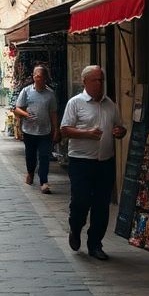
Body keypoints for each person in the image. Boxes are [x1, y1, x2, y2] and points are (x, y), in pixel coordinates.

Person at [60, 64, 126, 260]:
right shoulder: (75, 103)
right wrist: (86, 133)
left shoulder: (110, 104)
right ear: (85, 82)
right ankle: (75, 227)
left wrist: (119, 132)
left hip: (105, 162)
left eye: (101, 80)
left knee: (101, 205)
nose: (99, 83)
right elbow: (65, 129)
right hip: (81, 161)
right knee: (80, 201)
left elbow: (120, 128)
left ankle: (95, 243)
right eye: (95, 80)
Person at [13, 65, 60, 193]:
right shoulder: (26, 91)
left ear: (45, 77)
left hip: (45, 130)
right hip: (29, 130)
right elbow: (17, 108)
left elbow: (53, 112)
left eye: (39, 76)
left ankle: (44, 181)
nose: (36, 78)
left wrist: (56, 129)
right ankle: (30, 172)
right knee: (30, 155)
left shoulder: (50, 94)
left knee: (44, 156)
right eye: (35, 75)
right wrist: (25, 114)